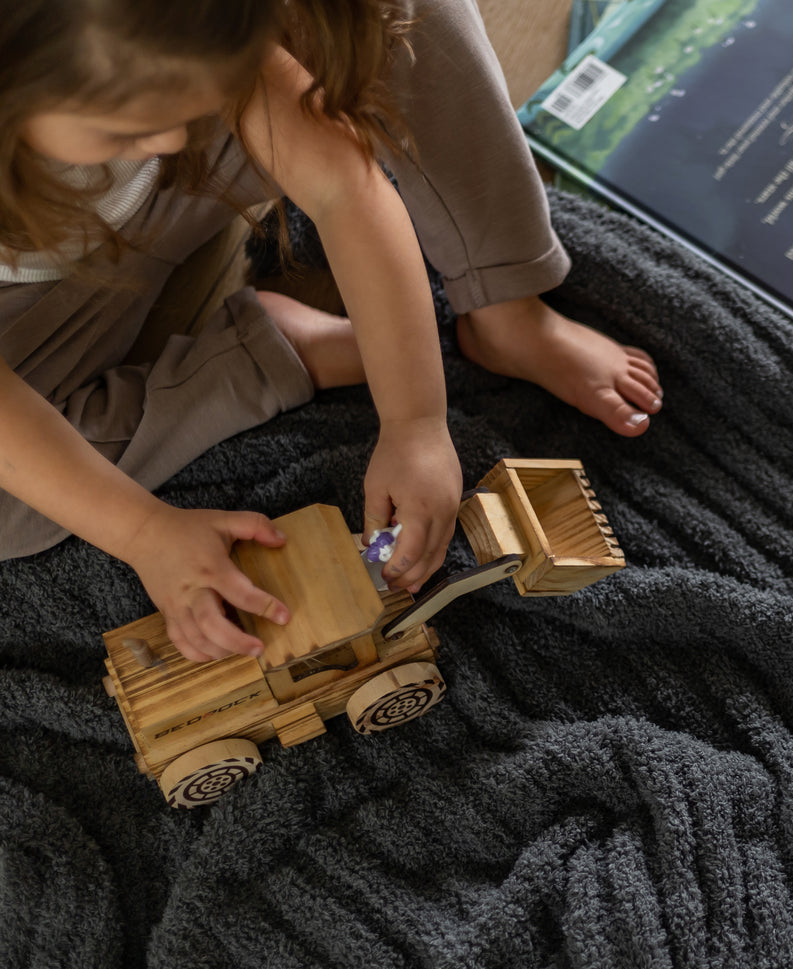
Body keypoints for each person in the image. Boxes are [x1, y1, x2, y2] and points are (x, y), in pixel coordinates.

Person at [0, 0, 662, 663]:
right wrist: (145, 532)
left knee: (397, 17)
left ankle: (505, 305)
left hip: (170, 199)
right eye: (128, 126)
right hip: (33, 311)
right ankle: (276, 350)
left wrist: (416, 422)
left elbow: (344, 189)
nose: (172, 139)